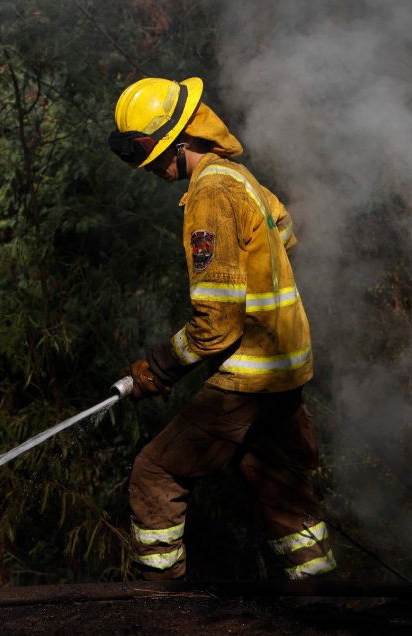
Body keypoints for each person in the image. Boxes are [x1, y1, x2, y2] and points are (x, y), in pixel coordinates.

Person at [108, 77, 335, 580]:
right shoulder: (241, 179)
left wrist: (157, 369)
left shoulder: (208, 196)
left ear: (178, 143)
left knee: (155, 472)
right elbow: (286, 231)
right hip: (286, 369)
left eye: (152, 157)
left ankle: (160, 604)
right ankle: (320, 600)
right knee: (277, 487)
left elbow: (215, 327)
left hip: (246, 377)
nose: (152, 171)